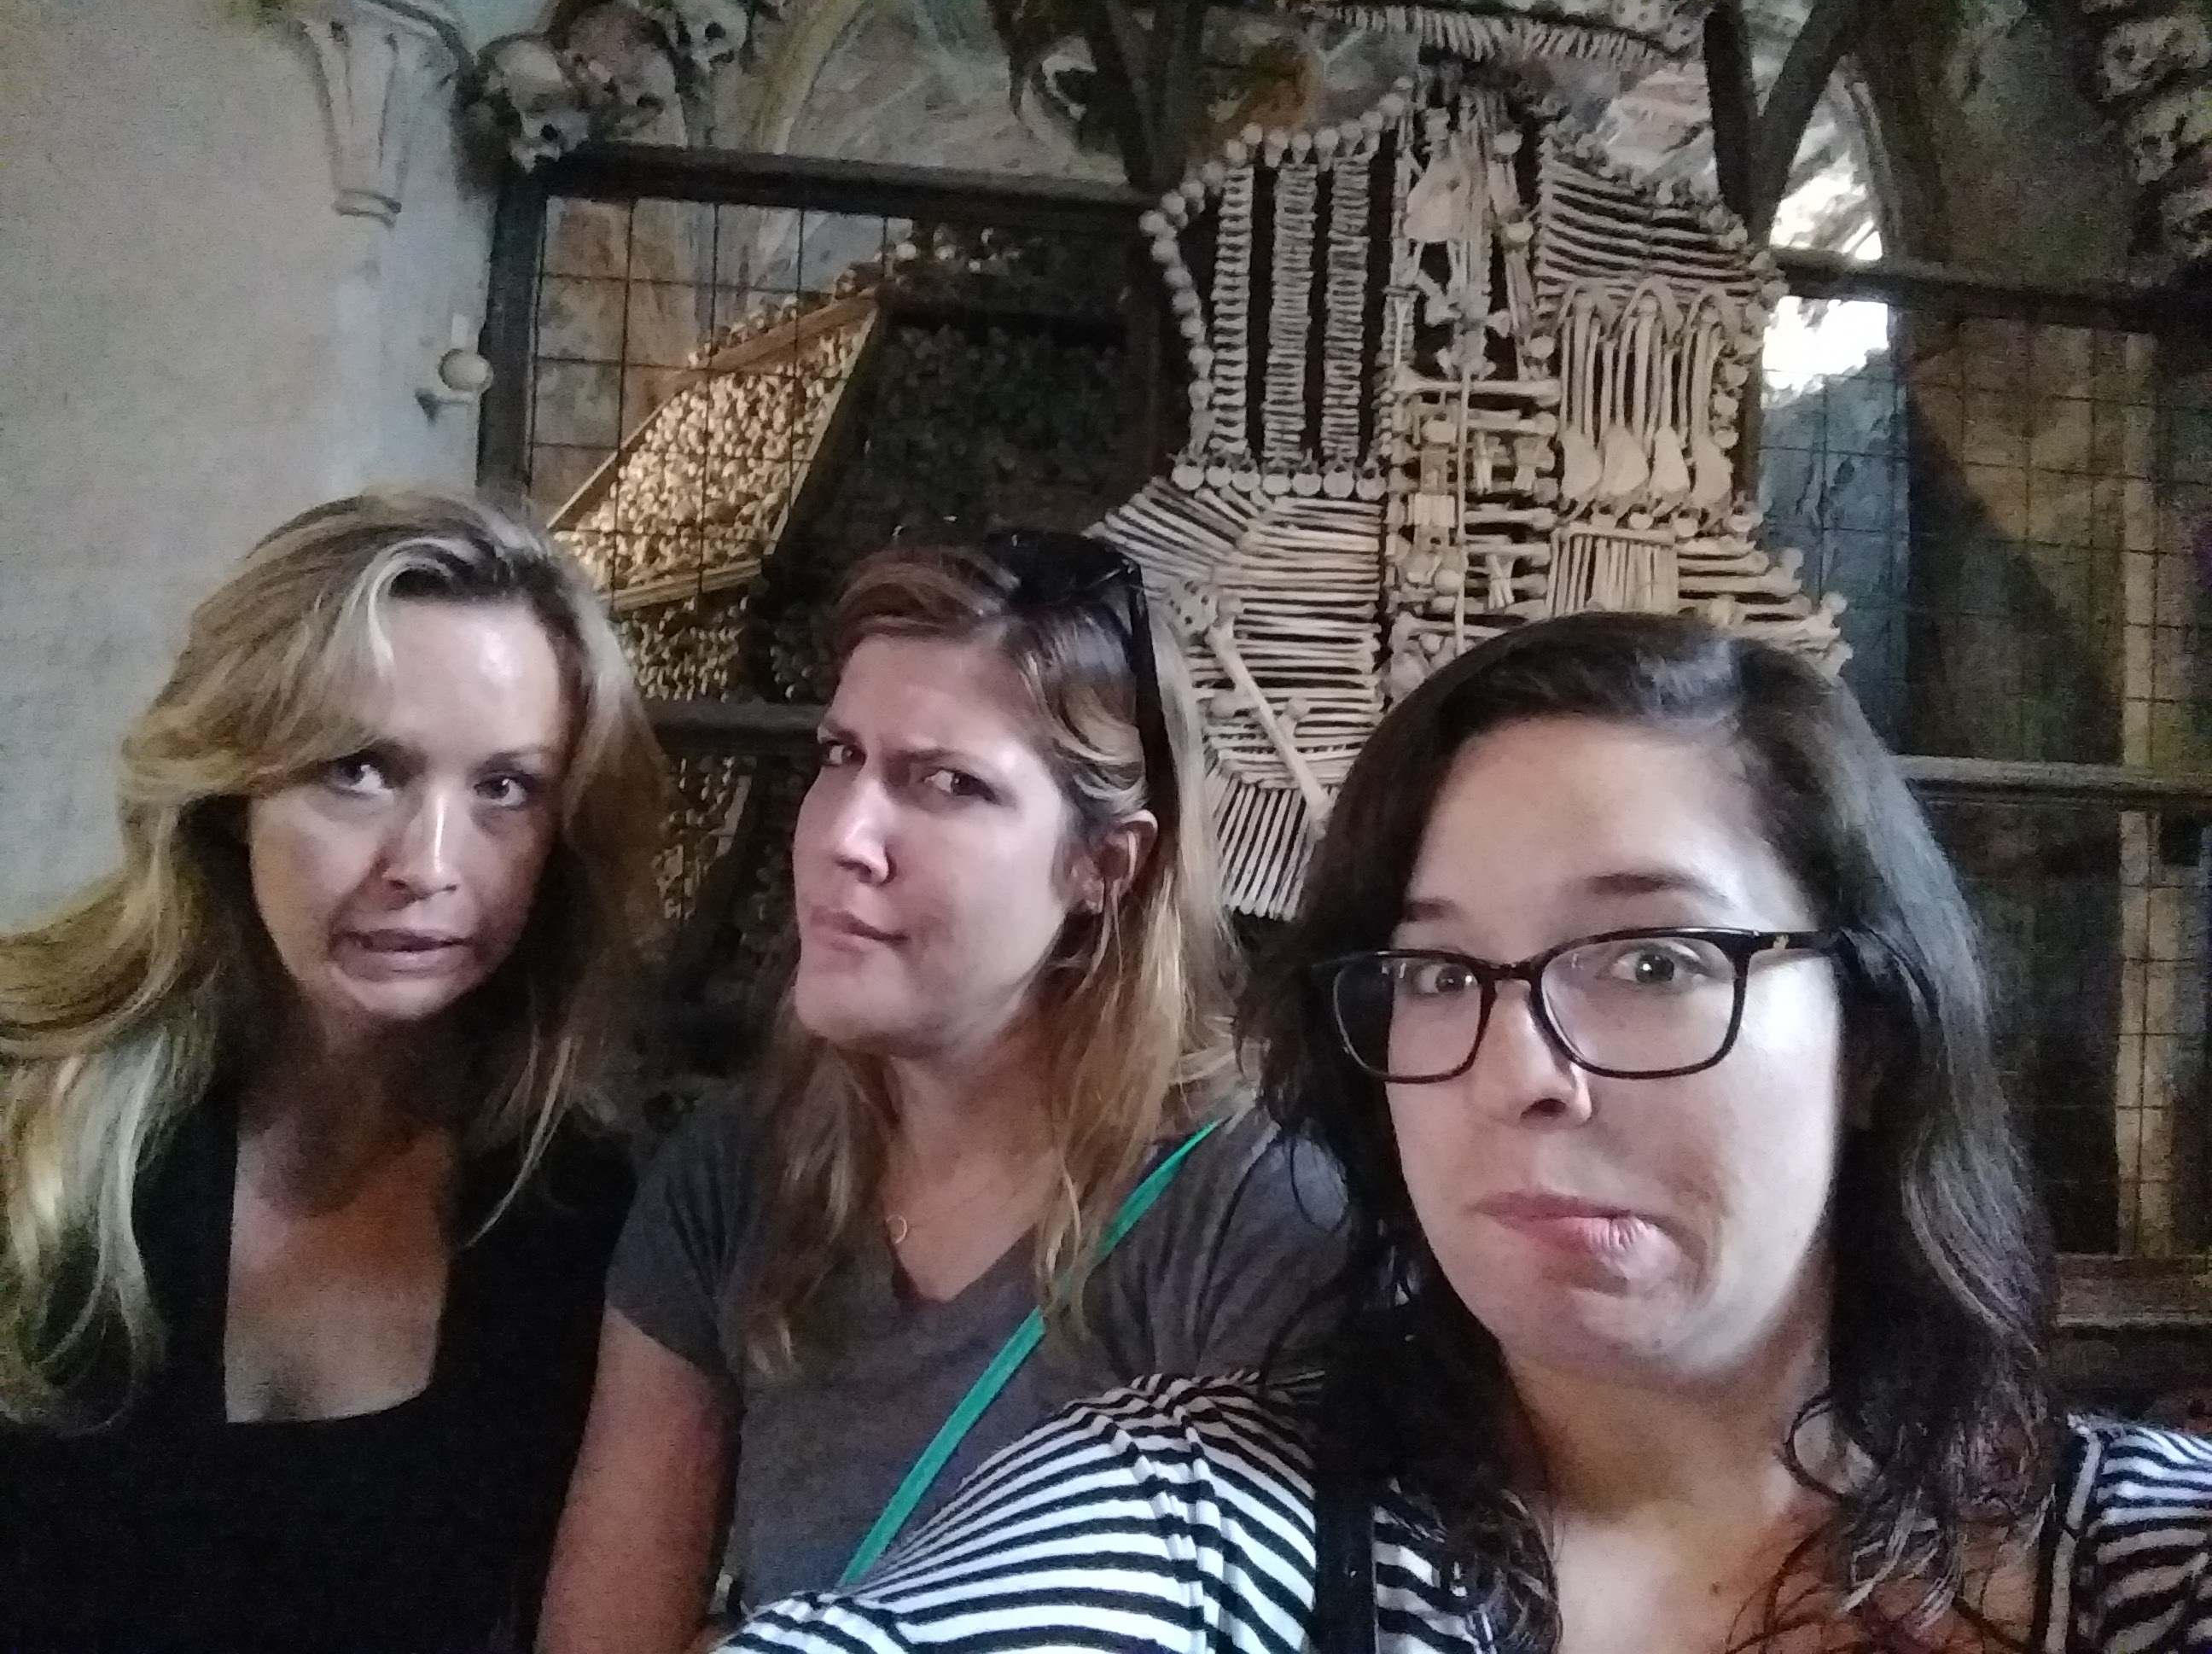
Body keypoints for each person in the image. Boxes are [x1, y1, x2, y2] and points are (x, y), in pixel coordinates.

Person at [709, 612, 2212, 1654]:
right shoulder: (1216, 1520)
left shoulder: (2133, 1562)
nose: (1519, 1072)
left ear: (1869, 1036)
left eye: (1652, 962)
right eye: (1436, 975)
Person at [541, 532, 1345, 1652]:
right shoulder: (739, 1174)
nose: (845, 838)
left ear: (1104, 865)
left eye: (947, 783)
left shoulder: (1253, 1218)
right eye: (839, 757)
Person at [0, 492, 665, 1652]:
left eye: (506, 787)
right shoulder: (26, 1104)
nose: (430, 865)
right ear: (230, 795)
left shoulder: (584, 1211)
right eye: (360, 770)